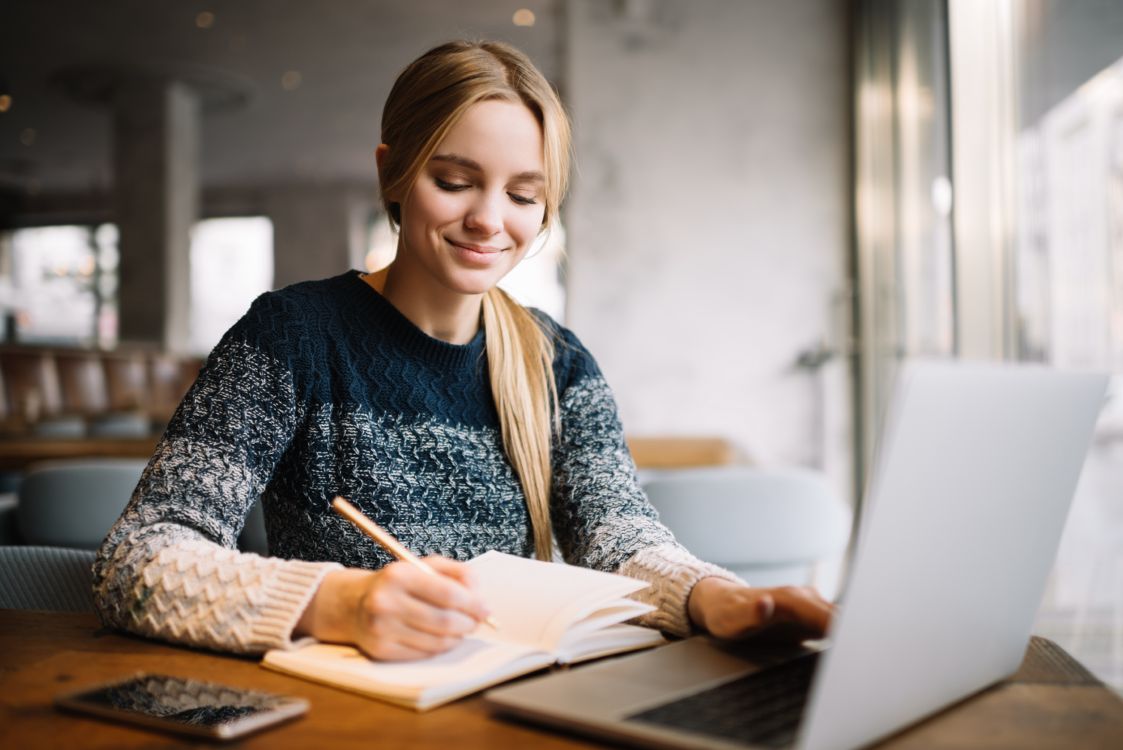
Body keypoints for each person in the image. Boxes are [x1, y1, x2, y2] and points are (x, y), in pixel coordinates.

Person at [94, 40, 833, 661]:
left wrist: (715, 596)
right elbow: (139, 559)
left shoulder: (557, 361)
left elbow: (617, 533)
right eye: (454, 181)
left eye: (523, 194)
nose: (488, 220)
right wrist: (336, 603)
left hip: (508, 705)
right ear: (392, 172)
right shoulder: (293, 336)